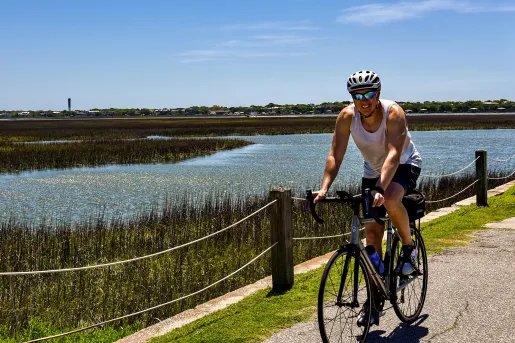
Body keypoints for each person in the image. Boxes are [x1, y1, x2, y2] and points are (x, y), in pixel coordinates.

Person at [312, 70, 422, 326]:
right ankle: (374, 300)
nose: (364, 99)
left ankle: (409, 249)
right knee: (372, 237)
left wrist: (381, 189)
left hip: (404, 164)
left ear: (378, 94)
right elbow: (334, 155)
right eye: (358, 95)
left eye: (369, 93)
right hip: (372, 170)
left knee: (392, 198)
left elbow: (394, 153)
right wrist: (324, 188)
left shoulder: (394, 113)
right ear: (352, 97)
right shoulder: (347, 116)